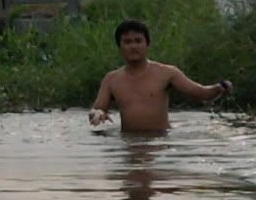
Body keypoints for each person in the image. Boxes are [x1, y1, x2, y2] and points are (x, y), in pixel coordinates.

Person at [89, 19, 232, 132]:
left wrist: (219, 87)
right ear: (119, 46)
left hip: (160, 142)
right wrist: (97, 115)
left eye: (138, 41)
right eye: (127, 42)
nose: (133, 46)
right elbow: (97, 108)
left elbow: (201, 92)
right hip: (128, 142)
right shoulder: (112, 79)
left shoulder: (167, 73)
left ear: (147, 44)